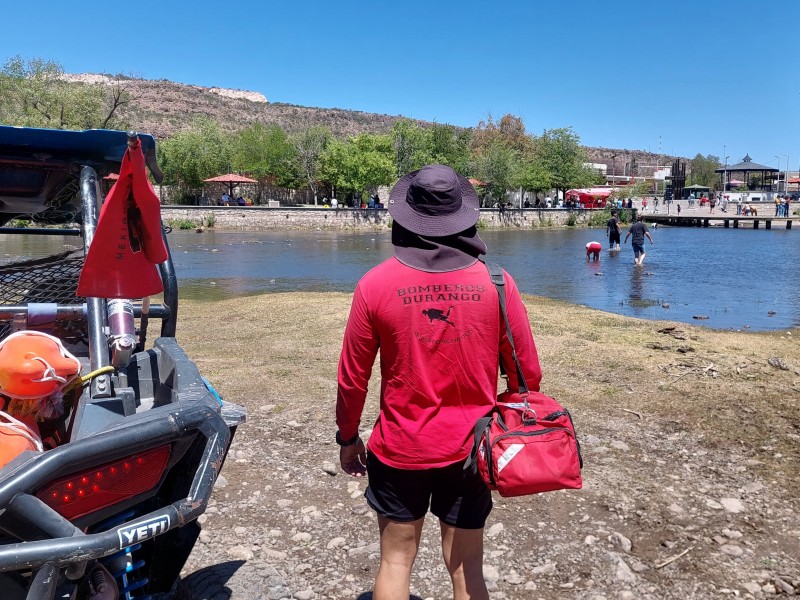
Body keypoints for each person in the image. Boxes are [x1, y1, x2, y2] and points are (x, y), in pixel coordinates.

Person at [336, 164, 542, 600]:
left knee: (394, 561)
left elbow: (353, 378)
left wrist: (349, 437)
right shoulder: (498, 283)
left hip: (400, 448)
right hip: (473, 447)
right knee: (467, 567)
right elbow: (529, 374)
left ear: (404, 217)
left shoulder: (374, 284)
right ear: (464, 215)